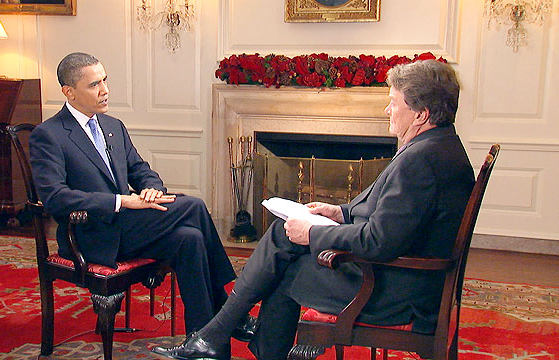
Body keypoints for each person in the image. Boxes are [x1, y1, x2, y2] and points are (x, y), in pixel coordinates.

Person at [152, 59, 475, 360]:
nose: (387, 109)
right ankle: (216, 336)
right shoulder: (439, 147)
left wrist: (313, 233)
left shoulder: (421, 161)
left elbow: (380, 241)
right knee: (284, 246)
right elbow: (392, 218)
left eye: (394, 102)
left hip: (396, 291)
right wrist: (339, 213)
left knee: (285, 264)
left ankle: (215, 337)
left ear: (420, 114)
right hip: (406, 278)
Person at [29, 52, 256, 337]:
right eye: (94, 85)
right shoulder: (49, 135)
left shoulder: (113, 127)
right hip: (91, 234)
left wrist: (151, 189)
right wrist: (122, 201)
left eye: (105, 80)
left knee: (191, 238)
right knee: (194, 206)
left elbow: (141, 170)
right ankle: (230, 311)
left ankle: (203, 338)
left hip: (129, 227)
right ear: (69, 92)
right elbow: (55, 198)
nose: (105, 90)